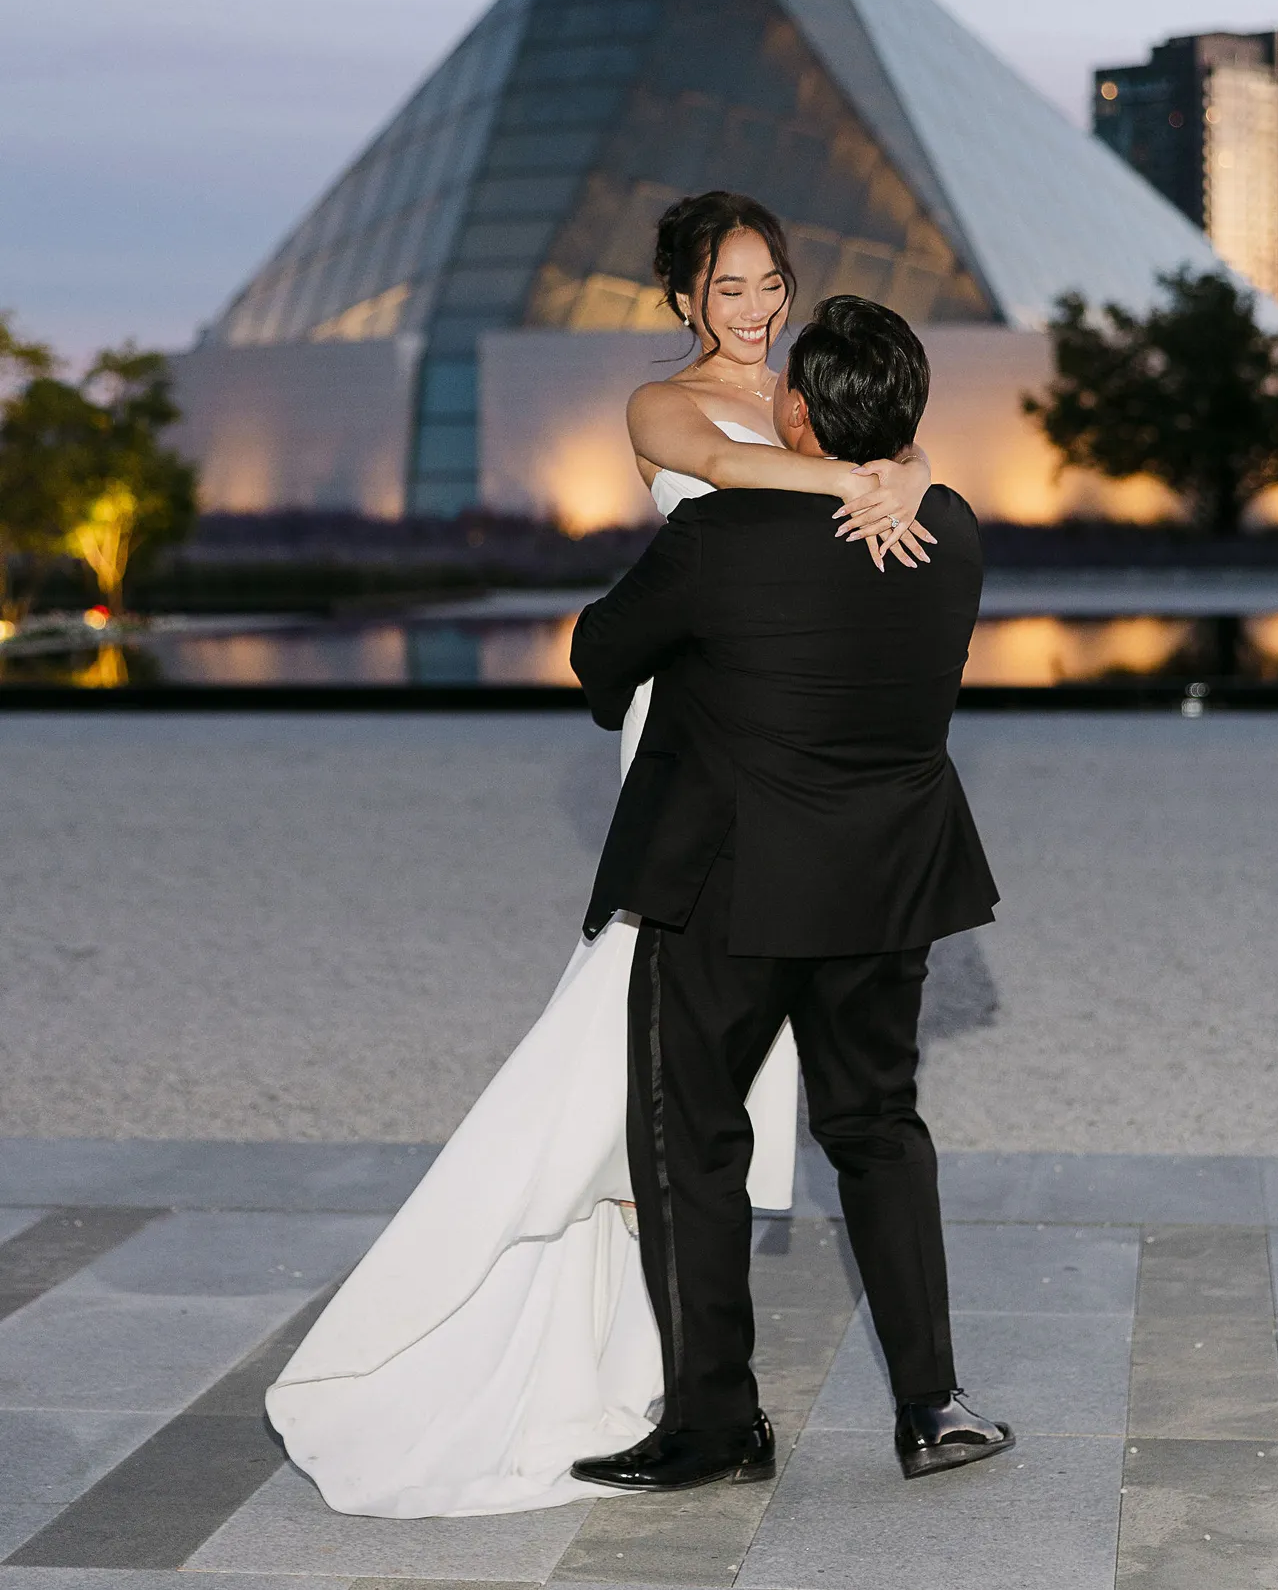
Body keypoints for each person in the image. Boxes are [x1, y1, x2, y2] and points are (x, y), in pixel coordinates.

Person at [264, 195, 932, 1516]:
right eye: (728, 286)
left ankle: (672, 1334)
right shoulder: (664, 406)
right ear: (686, 296)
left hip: (794, 751)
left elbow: (864, 497)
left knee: (703, 1056)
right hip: (688, 740)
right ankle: (581, 1267)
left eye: (770, 282)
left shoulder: (815, 402)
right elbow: (735, 482)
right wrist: (875, 476)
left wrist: (897, 469)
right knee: (639, 1014)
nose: (755, 308)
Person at [569, 296, 1013, 1492]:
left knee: (691, 1140)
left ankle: (717, 1422)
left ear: (798, 410)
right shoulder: (953, 533)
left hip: (733, 883)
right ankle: (934, 1405)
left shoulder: (724, 534)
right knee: (878, 1128)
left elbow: (599, 649)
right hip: (887, 882)